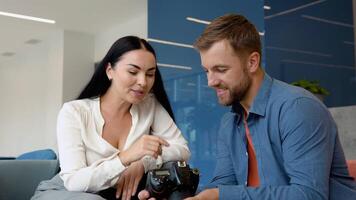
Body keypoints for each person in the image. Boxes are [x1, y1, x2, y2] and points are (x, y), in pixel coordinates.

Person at [139, 14, 356, 200]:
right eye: (207, 71)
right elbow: (224, 185)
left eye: (220, 69)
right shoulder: (230, 122)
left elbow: (308, 195)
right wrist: (175, 195)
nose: (210, 82)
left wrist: (219, 195)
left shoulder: (297, 108)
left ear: (252, 62)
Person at [31, 36, 190, 200]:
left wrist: (143, 163)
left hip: (116, 194)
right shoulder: (74, 111)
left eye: (150, 74)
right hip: (66, 192)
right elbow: (74, 182)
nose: (143, 82)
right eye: (133, 72)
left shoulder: (149, 105)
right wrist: (126, 157)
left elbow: (182, 150)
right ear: (109, 71)